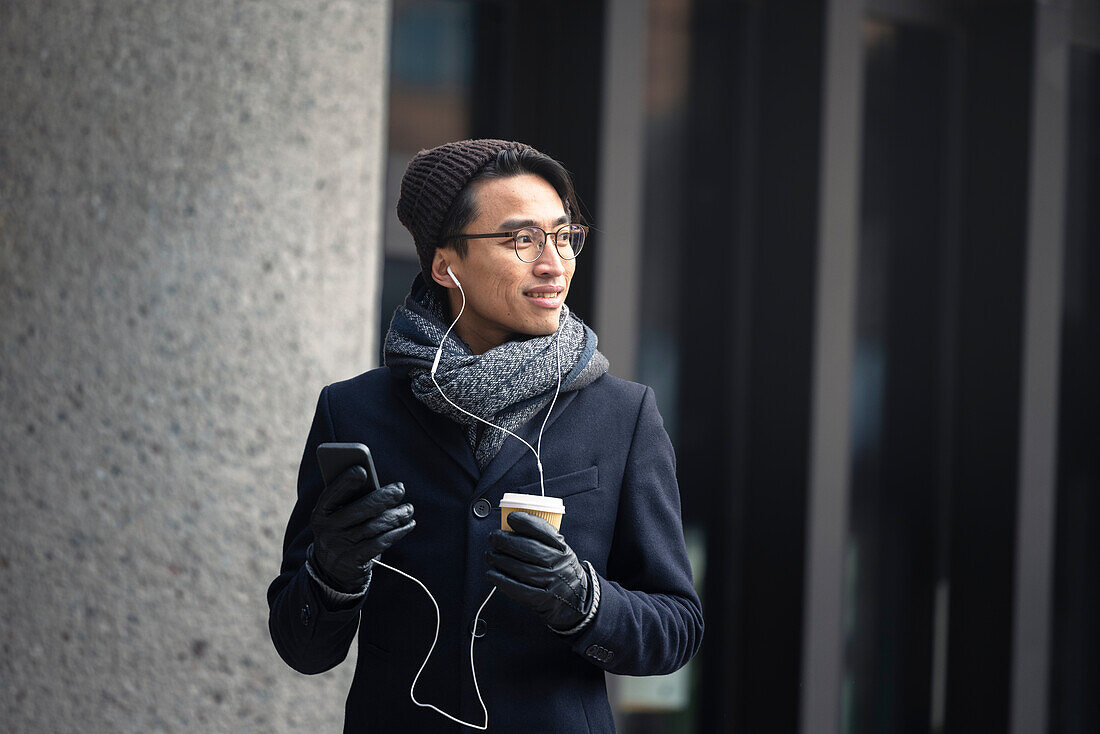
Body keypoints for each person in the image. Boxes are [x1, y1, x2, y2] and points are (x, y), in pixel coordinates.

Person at [267, 139, 703, 732]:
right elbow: (302, 647)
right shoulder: (354, 411)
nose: (554, 263)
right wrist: (333, 571)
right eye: (521, 240)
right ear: (446, 265)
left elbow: (677, 628)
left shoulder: (624, 416)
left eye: (564, 236)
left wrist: (584, 602)